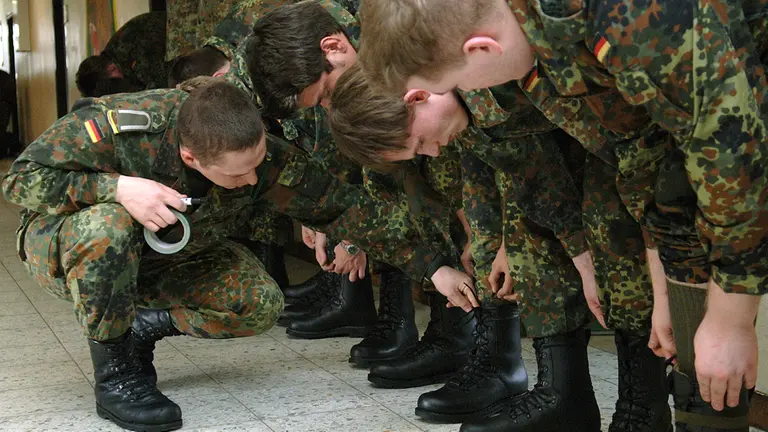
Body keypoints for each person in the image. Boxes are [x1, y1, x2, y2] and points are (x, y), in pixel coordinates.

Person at [356, 1, 767, 431]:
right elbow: (646, 153)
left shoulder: (618, 15)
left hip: (742, 134)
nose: (470, 96)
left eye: (457, 83)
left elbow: (734, 149)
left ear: (482, 49)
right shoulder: (541, 44)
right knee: (702, 351)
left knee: (720, 343)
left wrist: (731, 319)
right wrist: (667, 288)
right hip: (706, 159)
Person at [1, 78, 475, 432]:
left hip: (171, 255)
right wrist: (119, 188)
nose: (251, 180)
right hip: (73, 251)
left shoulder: (257, 153)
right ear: (191, 158)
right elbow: (20, 178)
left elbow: (346, 208)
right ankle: (116, 375)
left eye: (257, 165)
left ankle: (140, 326)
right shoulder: (124, 126)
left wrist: (433, 268)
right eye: (236, 175)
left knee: (259, 303)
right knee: (108, 225)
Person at [329, 63, 671, 431]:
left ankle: (645, 412)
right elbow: (525, 169)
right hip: (602, 140)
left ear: (417, 97)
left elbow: (628, 150)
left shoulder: (486, 76)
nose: (432, 151)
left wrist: (596, 258)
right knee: (540, 231)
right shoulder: (466, 103)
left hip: (649, 129)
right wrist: (571, 252)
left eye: (420, 142)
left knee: (618, 240)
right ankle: (566, 397)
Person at [245, 0, 480, 373]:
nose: (327, 107)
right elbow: (359, 175)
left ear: (335, 47)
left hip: (472, 142)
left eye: (324, 95)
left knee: (443, 203)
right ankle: (439, 330)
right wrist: (329, 220)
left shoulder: (398, 35)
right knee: (399, 197)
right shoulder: (347, 68)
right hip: (435, 145)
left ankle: (473, 344)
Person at [75, 12, 169, 97]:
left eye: (112, 86)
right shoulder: (112, 56)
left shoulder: (130, 52)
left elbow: (161, 90)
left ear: (111, 68)